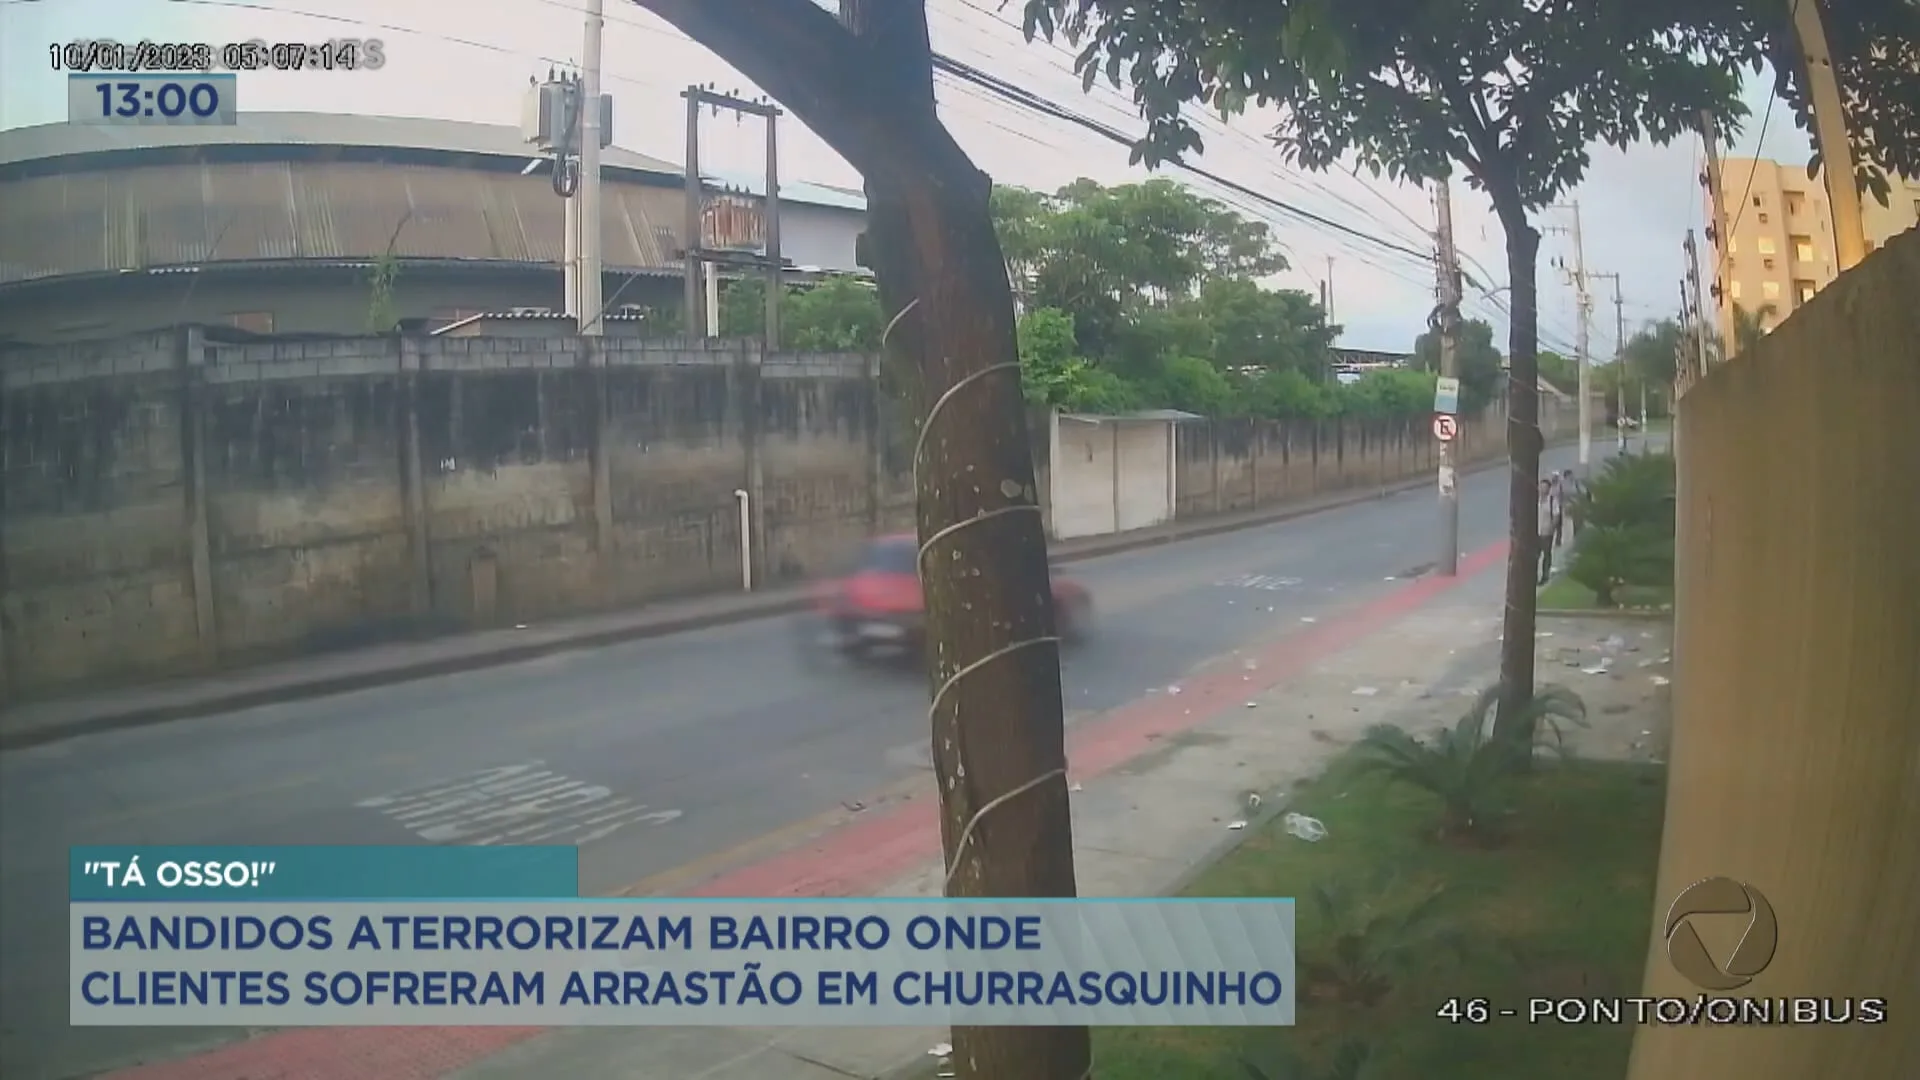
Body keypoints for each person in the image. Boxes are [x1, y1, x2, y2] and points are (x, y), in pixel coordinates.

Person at [1537, 478, 1557, 585]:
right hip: (1536, 533)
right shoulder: (1535, 500)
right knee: (1534, 556)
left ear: (1549, 489)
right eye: (1541, 487)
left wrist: (1552, 528)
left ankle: (1545, 575)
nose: (1542, 489)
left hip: (1546, 533)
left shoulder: (1552, 501)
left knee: (1546, 555)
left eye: (1544, 487)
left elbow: (1556, 516)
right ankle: (1534, 576)